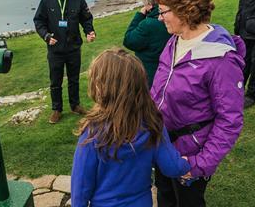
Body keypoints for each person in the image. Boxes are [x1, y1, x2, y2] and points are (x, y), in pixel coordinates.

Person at [151, 0, 245, 207]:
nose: (160, 17)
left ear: (184, 8)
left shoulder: (221, 60)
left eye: (163, 11)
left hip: (190, 156)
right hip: (163, 146)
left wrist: (199, 165)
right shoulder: (174, 41)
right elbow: (158, 92)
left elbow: (230, 120)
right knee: (165, 198)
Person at [71, 48, 191, 207]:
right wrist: (186, 163)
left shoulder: (93, 132)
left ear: (100, 88)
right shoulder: (152, 123)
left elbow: (80, 187)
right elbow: (172, 167)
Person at [34, 0, 96, 124]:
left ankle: (75, 105)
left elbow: (86, 18)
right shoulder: (47, 0)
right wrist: (46, 36)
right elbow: (39, 21)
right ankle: (57, 109)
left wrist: (89, 32)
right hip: (55, 49)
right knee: (56, 81)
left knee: (74, 79)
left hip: (73, 48)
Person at [123, 0, 171, 86]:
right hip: (169, 72)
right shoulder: (172, 16)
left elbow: (129, 41)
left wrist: (139, 15)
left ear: (148, 3)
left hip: (150, 73)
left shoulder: (148, 24)